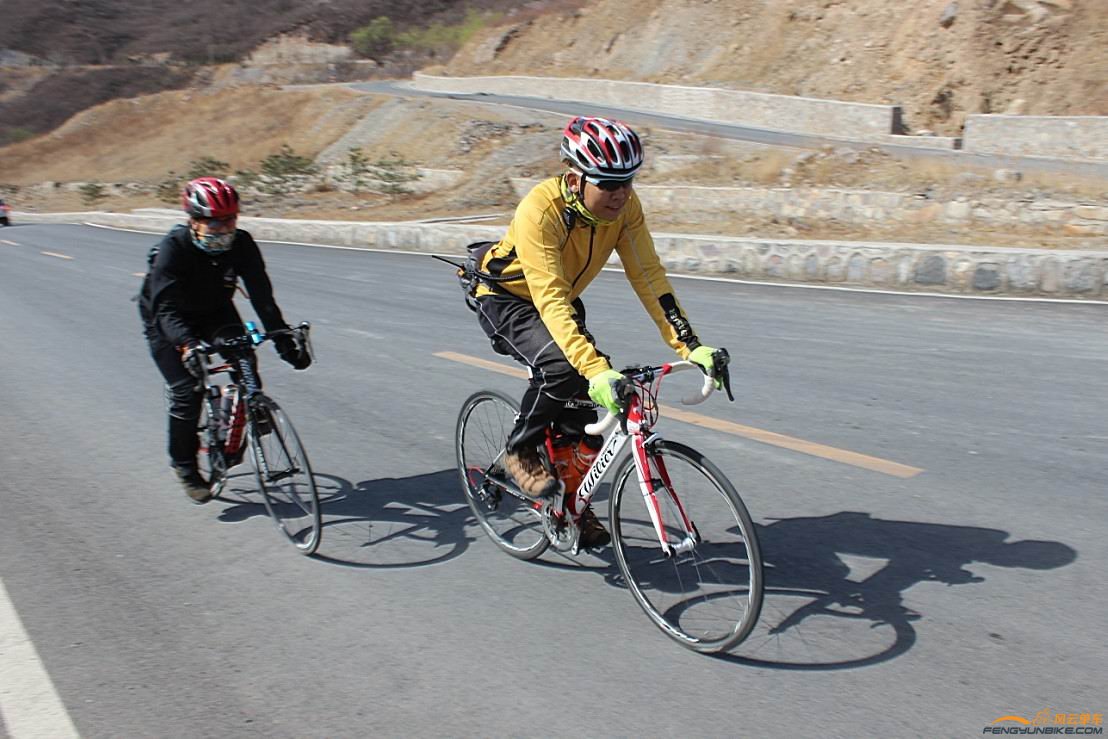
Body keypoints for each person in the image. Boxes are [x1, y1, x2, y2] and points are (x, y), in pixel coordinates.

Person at [471, 115, 728, 549]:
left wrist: (691, 345)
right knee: (566, 367)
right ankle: (521, 450)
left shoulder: (625, 209)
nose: (622, 193)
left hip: (558, 299)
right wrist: (593, 369)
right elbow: (549, 297)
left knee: (585, 407)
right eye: (609, 184)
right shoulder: (541, 208)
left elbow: (649, 277)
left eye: (628, 181)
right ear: (574, 179)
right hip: (508, 296)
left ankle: (570, 504)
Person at [138, 177, 311, 503]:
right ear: (193, 220)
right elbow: (165, 310)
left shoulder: (242, 243)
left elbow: (262, 296)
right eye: (213, 222)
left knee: (244, 356)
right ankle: (185, 466)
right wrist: (188, 345)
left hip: (216, 312)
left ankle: (242, 418)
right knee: (186, 392)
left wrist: (283, 339)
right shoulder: (174, 248)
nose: (222, 229)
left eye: (229, 220)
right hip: (167, 320)